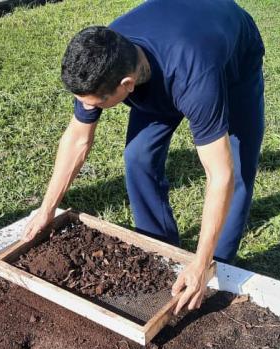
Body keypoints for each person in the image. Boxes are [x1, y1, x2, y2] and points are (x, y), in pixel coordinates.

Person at [24, 0, 265, 315]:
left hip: (230, 59)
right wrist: (47, 209)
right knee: (138, 157)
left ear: (126, 85)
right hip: (170, 53)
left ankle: (215, 265)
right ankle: (160, 248)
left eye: (95, 103)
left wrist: (201, 262)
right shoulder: (107, 55)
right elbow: (77, 140)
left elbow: (220, 175)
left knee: (238, 166)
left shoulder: (195, 78)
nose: (88, 108)